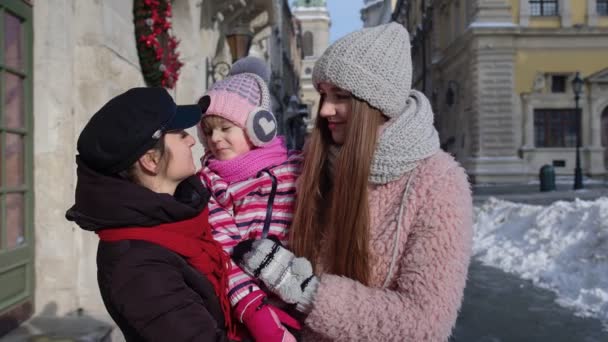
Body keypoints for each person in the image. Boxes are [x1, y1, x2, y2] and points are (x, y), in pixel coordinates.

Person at [233, 22, 474, 341]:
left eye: (341, 96)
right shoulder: (313, 163)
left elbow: (425, 324)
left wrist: (309, 292)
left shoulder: (438, 182)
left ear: (376, 103)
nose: (326, 110)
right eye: (323, 95)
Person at [66, 88, 235, 341]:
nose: (191, 140)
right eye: (179, 134)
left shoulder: (181, 216)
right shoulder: (136, 267)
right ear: (151, 161)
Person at [197, 57, 301, 342]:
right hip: (248, 313)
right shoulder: (209, 184)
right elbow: (223, 250)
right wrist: (256, 313)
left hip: (304, 300)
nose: (215, 138)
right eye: (208, 131)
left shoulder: (296, 169)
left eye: (225, 128)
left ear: (260, 126)